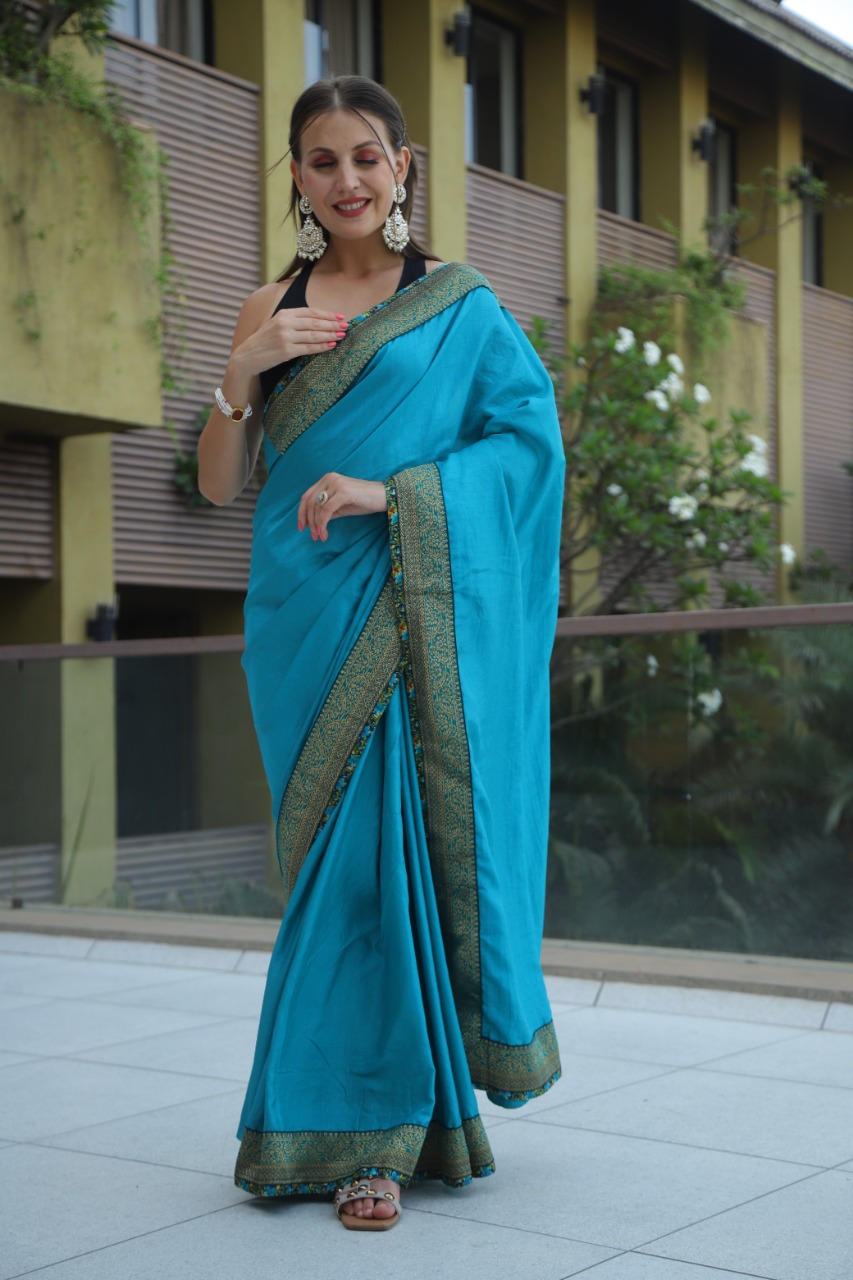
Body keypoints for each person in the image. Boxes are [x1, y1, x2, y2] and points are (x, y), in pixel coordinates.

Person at [198, 74, 565, 1232]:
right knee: (329, 867)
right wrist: (242, 371)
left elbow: (527, 449)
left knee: (378, 868)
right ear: (296, 177)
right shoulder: (270, 304)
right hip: (298, 619)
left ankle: (373, 1136)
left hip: (410, 608)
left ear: (402, 167)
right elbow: (220, 484)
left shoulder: (457, 305)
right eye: (322, 160)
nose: (347, 180)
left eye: (367, 157)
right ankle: (380, 1114)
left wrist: (392, 492)